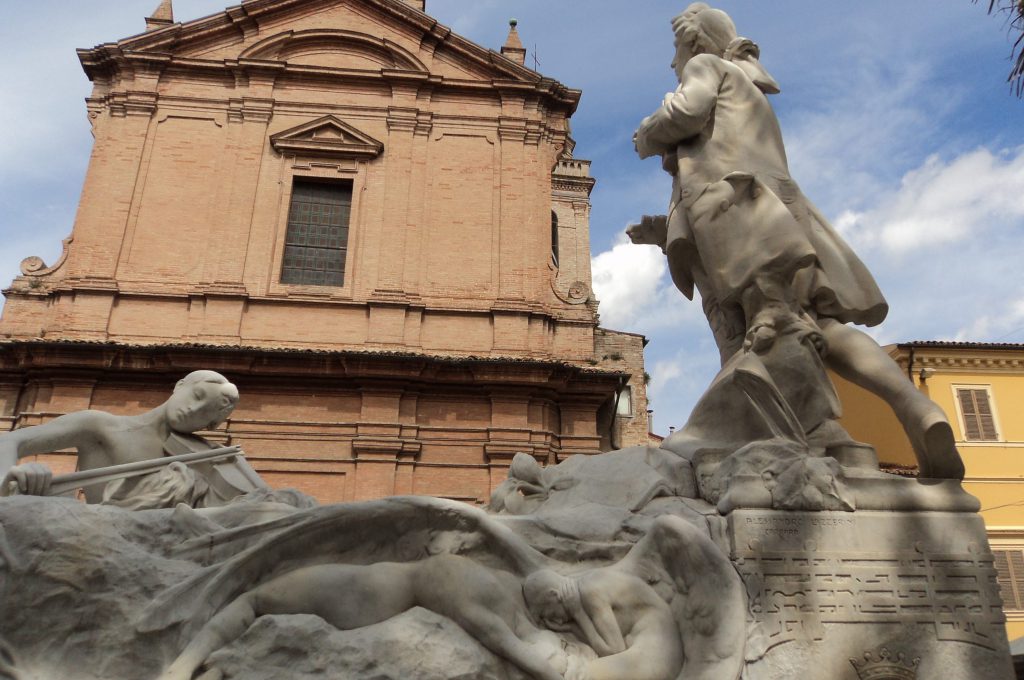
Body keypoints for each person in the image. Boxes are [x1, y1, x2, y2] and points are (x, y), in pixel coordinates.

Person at [632, 3, 964, 479]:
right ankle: (906, 408)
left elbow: (686, 111)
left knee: (764, 328)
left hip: (735, 210)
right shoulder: (751, 90)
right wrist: (664, 233)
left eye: (675, 48)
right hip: (782, 213)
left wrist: (647, 133)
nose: (672, 62)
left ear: (696, 44)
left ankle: (798, 433)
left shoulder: (708, 67)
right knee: (818, 325)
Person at [158, 554, 568, 680]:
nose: (556, 619)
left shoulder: (502, 595)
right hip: (405, 585)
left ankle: (186, 665)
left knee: (507, 639)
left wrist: (184, 665)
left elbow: (511, 640)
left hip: (406, 585)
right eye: (558, 616)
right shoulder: (506, 592)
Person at [0, 370, 244, 504]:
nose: (193, 409)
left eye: (206, 413)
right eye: (197, 395)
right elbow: (9, 441)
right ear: (180, 386)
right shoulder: (101, 426)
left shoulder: (208, 458)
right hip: (97, 540)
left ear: (210, 425)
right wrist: (10, 476)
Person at [523, 568, 682, 680]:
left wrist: (578, 614)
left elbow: (615, 651)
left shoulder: (591, 591)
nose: (556, 621)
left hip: (657, 658)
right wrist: (571, 627)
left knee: (577, 675)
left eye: (550, 614)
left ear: (555, 595)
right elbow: (603, 640)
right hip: (649, 653)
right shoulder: (585, 585)